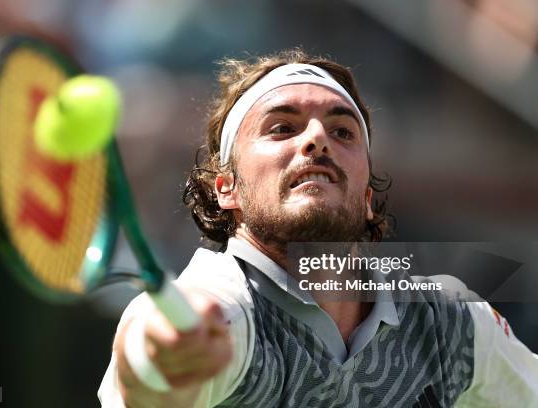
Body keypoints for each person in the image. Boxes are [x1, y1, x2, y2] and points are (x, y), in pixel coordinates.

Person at [98, 49, 538, 407]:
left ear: (367, 198)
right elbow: (153, 360)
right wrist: (163, 359)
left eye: (343, 132)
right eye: (282, 127)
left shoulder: (449, 323)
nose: (316, 139)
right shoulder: (220, 305)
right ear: (226, 188)